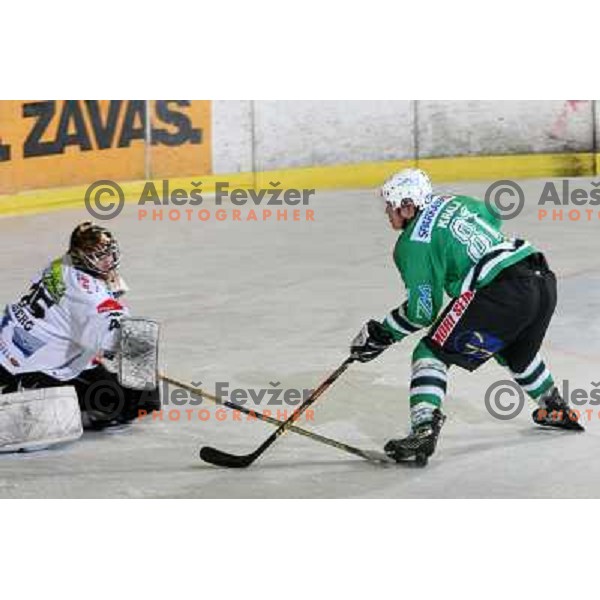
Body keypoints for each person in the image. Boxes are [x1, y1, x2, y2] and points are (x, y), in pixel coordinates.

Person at [350, 168, 583, 465]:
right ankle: (555, 407)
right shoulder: (454, 200)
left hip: (502, 291)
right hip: (539, 276)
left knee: (430, 352)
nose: (387, 211)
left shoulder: (411, 245)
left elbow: (423, 312)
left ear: (409, 206)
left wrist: (383, 334)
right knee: (516, 352)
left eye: (392, 205)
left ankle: (423, 432)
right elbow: (492, 217)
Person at [0, 221, 160, 429]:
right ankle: (28, 395)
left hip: (9, 345)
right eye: (100, 256)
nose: (108, 261)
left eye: (109, 254)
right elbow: (130, 338)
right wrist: (139, 362)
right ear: (83, 257)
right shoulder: (90, 297)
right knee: (140, 399)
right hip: (33, 367)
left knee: (127, 384)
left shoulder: (61, 265)